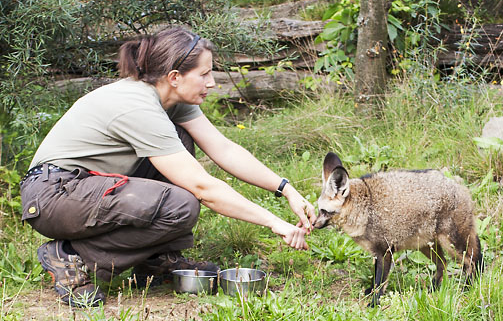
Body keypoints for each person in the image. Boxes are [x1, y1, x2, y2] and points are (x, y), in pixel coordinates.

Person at [19, 27, 315, 306]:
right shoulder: (138, 106)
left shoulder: (171, 98)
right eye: (205, 74)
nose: (212, 83)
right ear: (175, 76)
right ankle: (72, 256)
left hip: (88, 188)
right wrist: (273, 222)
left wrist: (286, 189)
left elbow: (223, 148)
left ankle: (153, 262)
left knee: (182, 140)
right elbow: (202, 188)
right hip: (54, 195)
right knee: (181, 205)